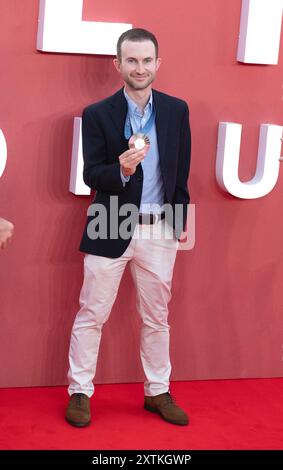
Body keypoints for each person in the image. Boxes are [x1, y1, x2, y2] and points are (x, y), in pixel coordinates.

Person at [66, 28, 191, 427]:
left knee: (157, 317)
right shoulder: (98, 113)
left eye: (147, 60)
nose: (140, 68)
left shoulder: (176, 110)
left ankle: (157, 392)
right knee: (92, 312)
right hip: (110, 220)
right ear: (118, 65)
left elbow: (180, 173)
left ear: (158, 64)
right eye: (132, 61)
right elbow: (91, 174)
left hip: (160, 229)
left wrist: (178, 223)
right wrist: (121, 169)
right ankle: (80, 391)